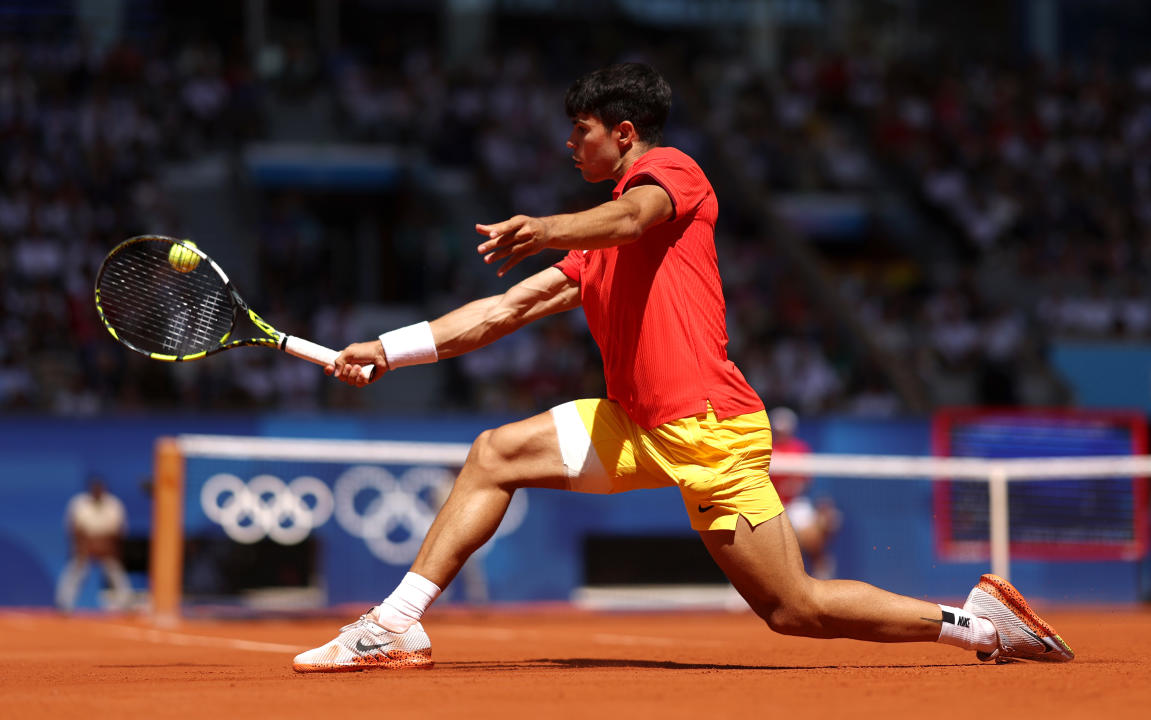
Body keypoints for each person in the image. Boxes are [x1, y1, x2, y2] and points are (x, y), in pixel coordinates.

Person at [293, 63, 1073, 672]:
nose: (571, 146)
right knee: (493, 453)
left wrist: (546, 226)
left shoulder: (672, 173)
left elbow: (633, 216)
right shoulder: (591, 252)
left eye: (582, 132)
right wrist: (386, 349)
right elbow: (499, 313)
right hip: (632, 422)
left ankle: (974, 624)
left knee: (793, 609)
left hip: (709, 430)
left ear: (624, 133)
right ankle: (391, 625)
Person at [767, 406, 841, 579]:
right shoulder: (767, 449)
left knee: (813, 538)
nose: (782, 432)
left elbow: (807, 481)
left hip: (795, 503)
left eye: (785, 429)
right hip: (771, 503)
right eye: (779, 429)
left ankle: (822, 576)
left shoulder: (800, 449)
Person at [56, 476, 133, 612]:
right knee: (75, 572)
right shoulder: (79, 503)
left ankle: (126, 604)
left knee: (115, 573)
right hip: (85, 545)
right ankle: (64, 604)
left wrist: (109, 548)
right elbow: (74, 528)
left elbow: (119, 530)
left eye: (100, 490)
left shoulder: (113, 504)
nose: (97, 493)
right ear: (90, 491)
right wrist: (82, 548)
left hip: (107, 545)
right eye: (95, 490)